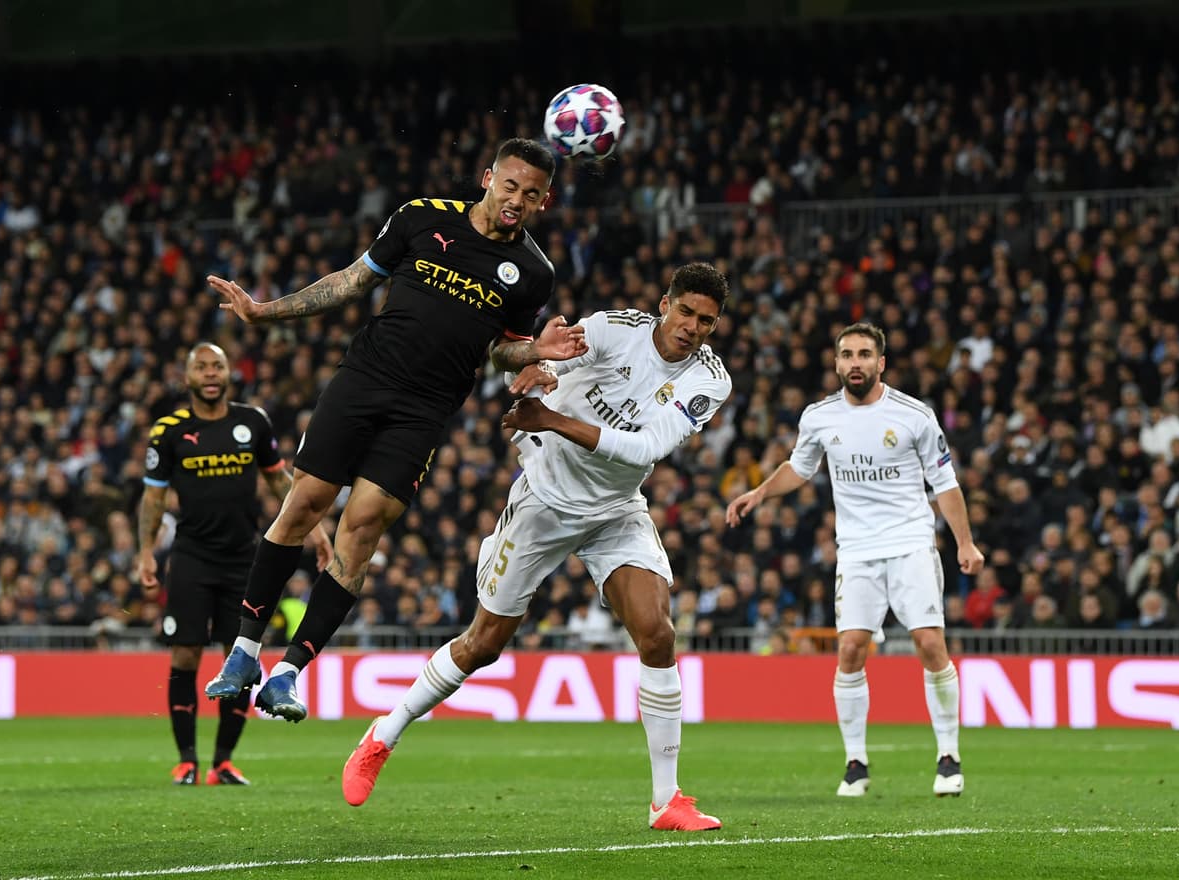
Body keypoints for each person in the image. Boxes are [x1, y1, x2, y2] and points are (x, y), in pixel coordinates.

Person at [340, 262, 732, 832]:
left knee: (658, 632)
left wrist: (550, 417)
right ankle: (384, 734)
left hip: (614, 511)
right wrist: (536, 370)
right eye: (687, 312)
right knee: (482, 645)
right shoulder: (613, 329)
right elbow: (543, 357)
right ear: (664, 303)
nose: (694, 327)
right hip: (544, 501)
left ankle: (666, 800)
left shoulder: (709, 380)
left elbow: (646, 447)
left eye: (708, 321)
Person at [203, 138, 586, 721]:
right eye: (509, 185)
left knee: (362, 528)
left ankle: (287, 674)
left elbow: (500, 352)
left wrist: (538, 349)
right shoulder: (420, 217)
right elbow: (352, 282)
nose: (516, 199)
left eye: (530, 194)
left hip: (425, 410)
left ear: (545, 200)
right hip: (364, 380)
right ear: (488, 178)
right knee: (305, 505)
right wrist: (264, 311)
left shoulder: (533, 273)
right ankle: (243, 653)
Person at [727, 322, 984, 798]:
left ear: (881, 362)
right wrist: (760, 493)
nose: (855, 363)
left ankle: (948, 755)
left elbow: (945, 484)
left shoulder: (914, 415)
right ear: (837, 362)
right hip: (857, 551)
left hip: (910, 543)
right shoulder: (820, 416)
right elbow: (799, 469)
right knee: (849, 651)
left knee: (930, 644)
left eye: (865, 354)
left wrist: (964, 542)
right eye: (847, 354)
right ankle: (855, 763)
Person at [135, 342, 333, 785]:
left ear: (229, 375)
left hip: (244, 559)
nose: (210, 374)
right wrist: (145, 551)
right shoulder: (168, 430)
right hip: (190, 557)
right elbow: (152, 497)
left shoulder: (252, 422)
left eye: (217, 366)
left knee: (238, 657)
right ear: (187, 377)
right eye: (201, 367)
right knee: (185, 653)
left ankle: (223, 762)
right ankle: (186, 759)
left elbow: (279, 480)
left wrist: (316, 530)